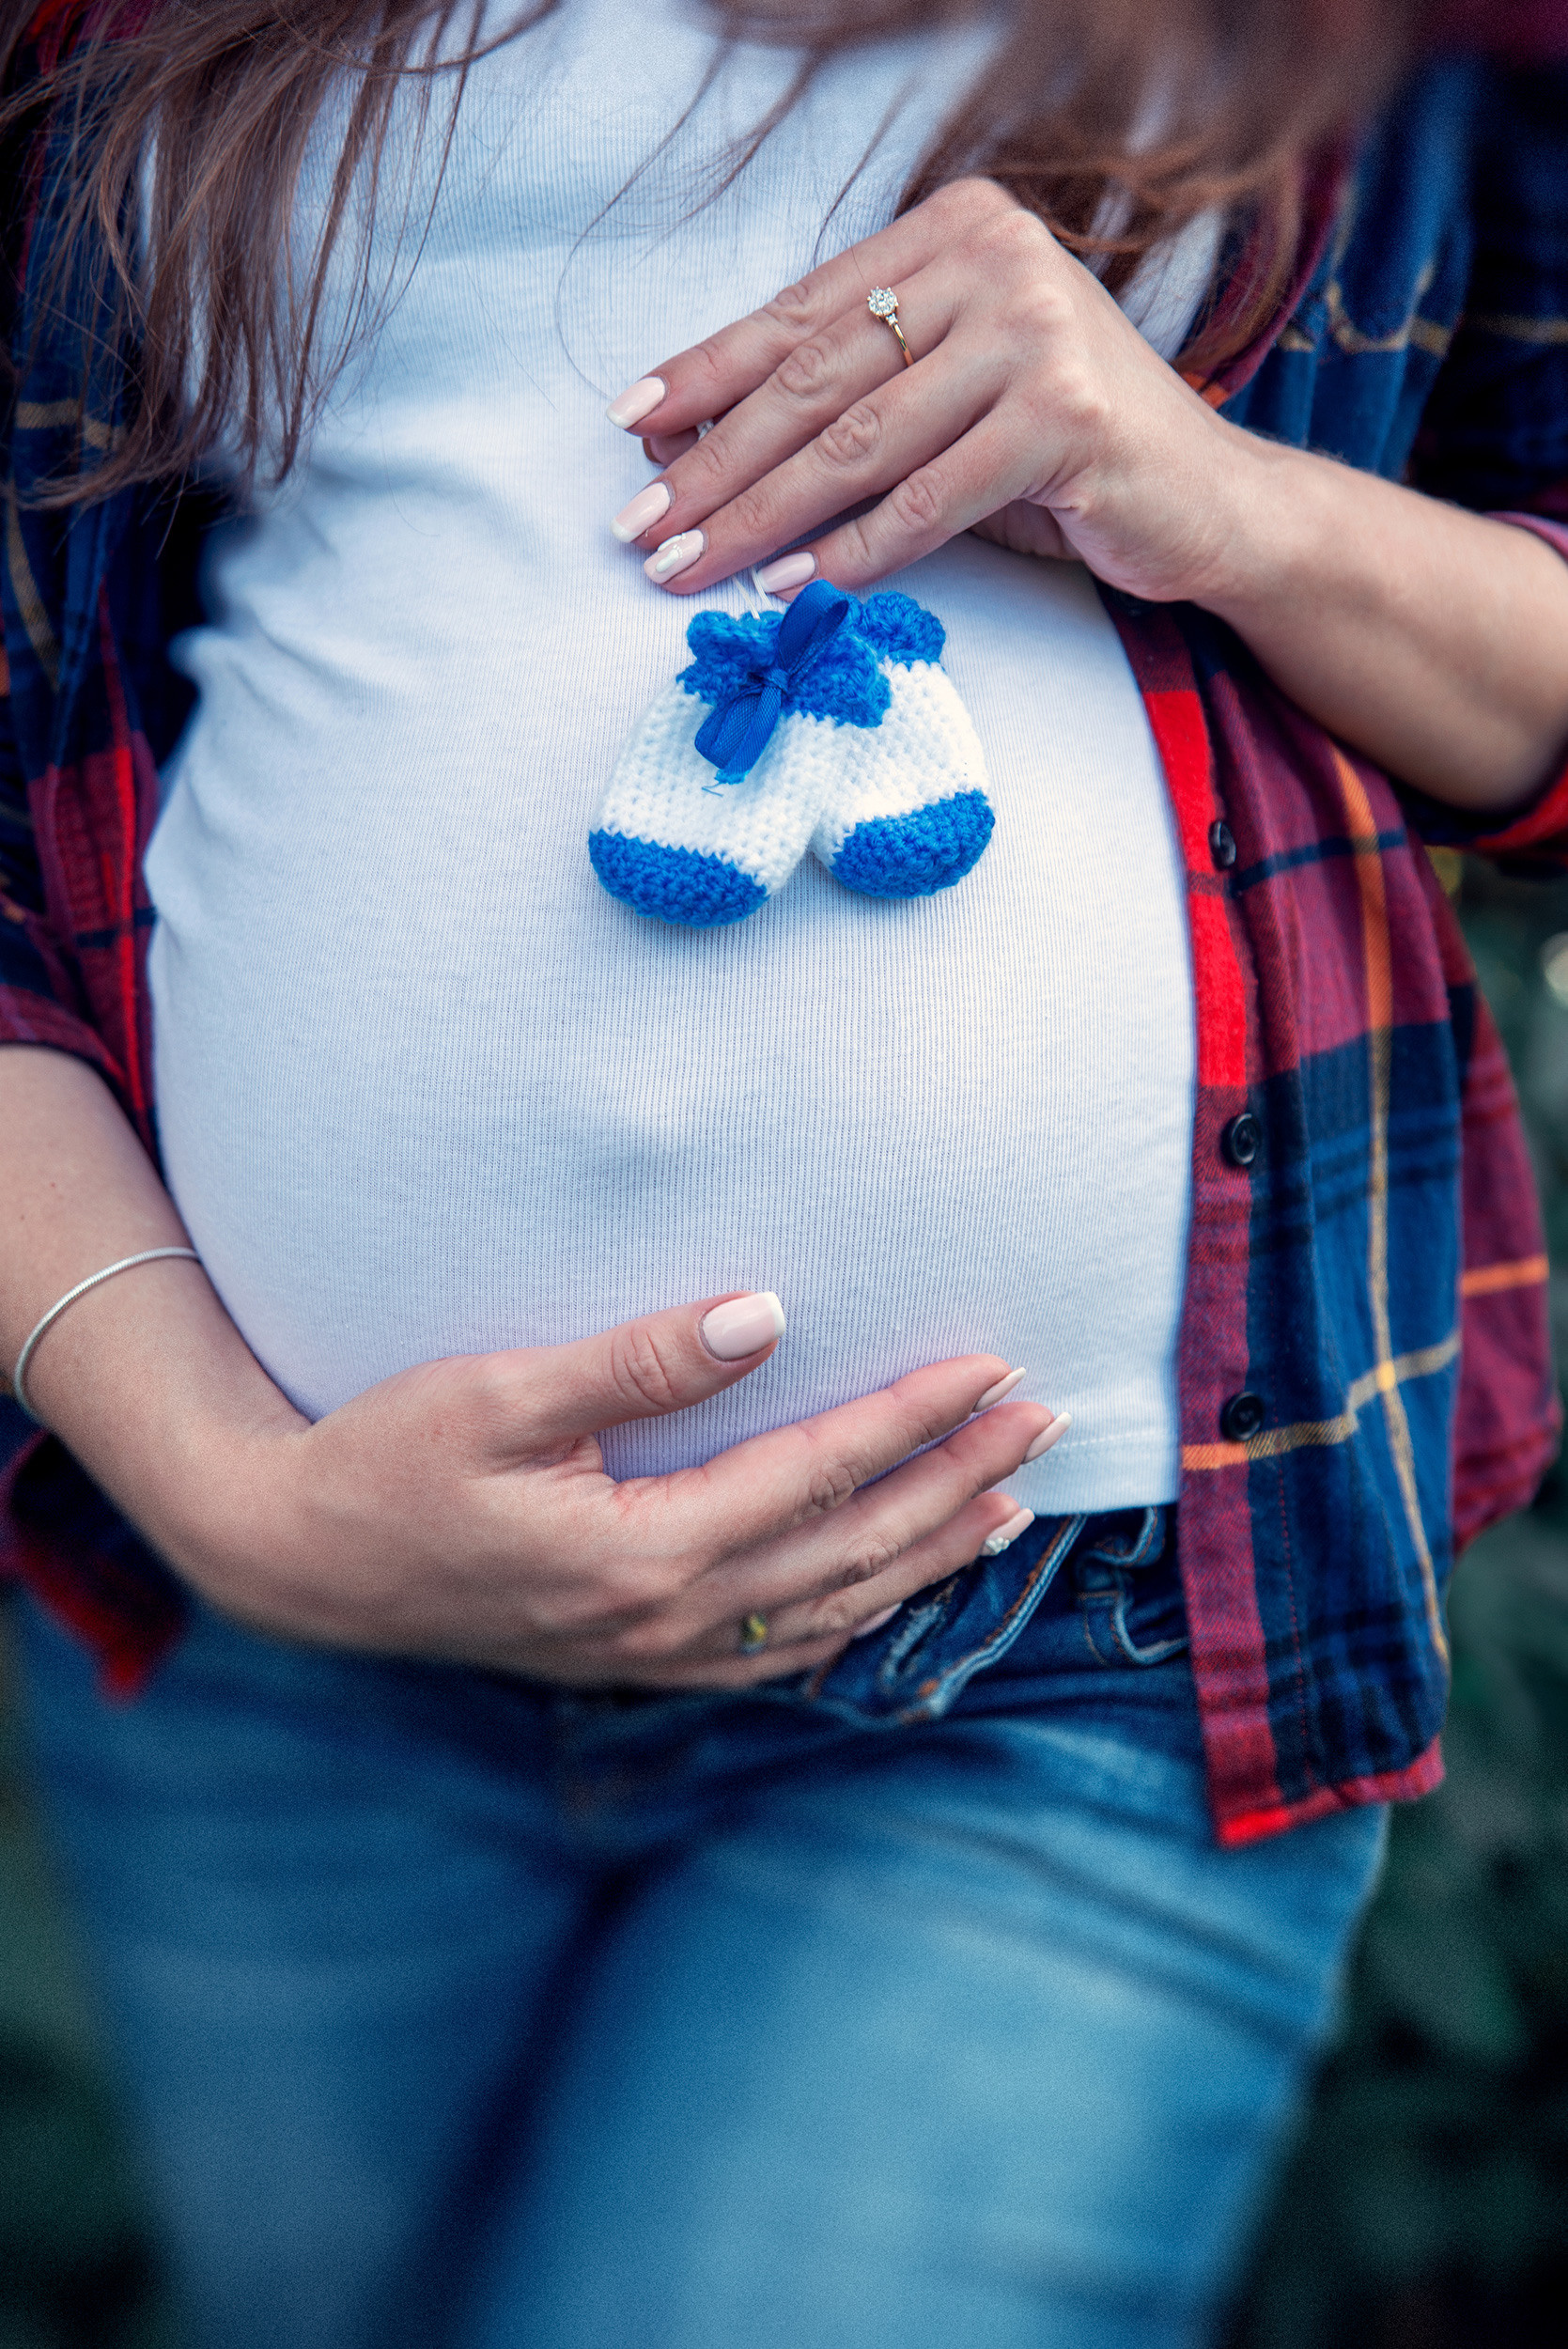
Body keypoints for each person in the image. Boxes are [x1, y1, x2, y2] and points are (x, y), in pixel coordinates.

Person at [2, 1, 1566, 2343]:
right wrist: (227, 1486)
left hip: (1086, 1639)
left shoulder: (1411, 42)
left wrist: (1222, 491)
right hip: (290, 1666)